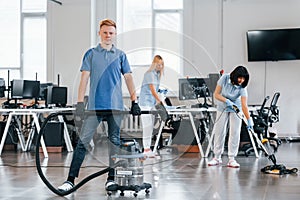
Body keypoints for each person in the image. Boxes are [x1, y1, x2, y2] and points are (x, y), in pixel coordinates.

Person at [58, 19, 141, 192]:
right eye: (105, 32)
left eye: (111, 33)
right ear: (99, 33)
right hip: (94, 107)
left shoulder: (120, 55)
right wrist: (80, 102)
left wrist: (135, 101)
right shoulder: (91, 54)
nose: (108, 35)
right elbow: (84, 79)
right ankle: (70, 180)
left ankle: (111, 179)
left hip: (115, 108)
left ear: (115, 34)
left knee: (114, 143)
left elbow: (129, 78)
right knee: (82, 143)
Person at [207, 65, 253, 168]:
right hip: (222, 107)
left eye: (244, 78)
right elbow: (216, 94)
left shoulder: (242, 87)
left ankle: (232, 159)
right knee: (220, 131)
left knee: (235, 133)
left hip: (236, 108)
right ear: (235, 76)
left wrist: (249, 120)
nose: (241, 80)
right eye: (240, 77)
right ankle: (217, 157)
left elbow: (244, 105)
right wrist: (227, 101)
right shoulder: (224, 78)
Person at [139, 55, 165, 158]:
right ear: (154, 64)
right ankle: (146, 149)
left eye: (162, 64)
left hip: (151, 104)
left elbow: (156, 91)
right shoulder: (150, 74)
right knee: (147, 126)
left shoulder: (157, 75)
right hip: (145, 103)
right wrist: (160, 102)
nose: (160, 66)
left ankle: (148, 148)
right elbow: (153, 91)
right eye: (158, 64)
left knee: (150, 127)